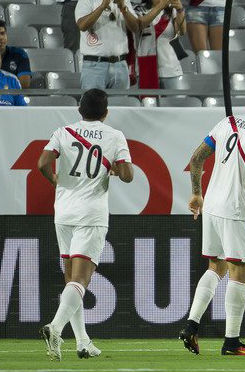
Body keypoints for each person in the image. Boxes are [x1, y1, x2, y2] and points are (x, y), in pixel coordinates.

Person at [179, 84, 245, 356]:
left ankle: (191, 326)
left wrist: (196, 194)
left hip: (212, 206)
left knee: (215, 267)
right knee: (239, 272)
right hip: (236, 209)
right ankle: (231, 342)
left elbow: (195, 159)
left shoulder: (226, 122)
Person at [38, 89, 134, 361]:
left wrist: (56, 181)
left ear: (80, 110)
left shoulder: (63, 131)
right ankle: (55, 327)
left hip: (64, 212)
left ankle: (82, 341)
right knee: (81, 280)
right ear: (106, 112)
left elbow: (43, 162)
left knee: (71, 280)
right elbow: (128, 175)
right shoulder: (114, 136)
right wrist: (115, 169)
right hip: (91, 214)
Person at [75, 0, 141, 90]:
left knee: (120, 103)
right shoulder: (87, 1)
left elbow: (136, 27)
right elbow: (82, 25)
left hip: (120, 65)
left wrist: (124, 9)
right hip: (94, 66)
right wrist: (102, 6)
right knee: (94, 103)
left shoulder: (124, 1)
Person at [133, 0, 186, 89]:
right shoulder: (138, 9)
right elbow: (140, 24)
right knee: (149, 102)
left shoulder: (171, 10)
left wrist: (180, 10)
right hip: (146, 68)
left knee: (174, 102)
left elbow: (182, 31)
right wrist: (160, 6)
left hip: (170, 68)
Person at [0, 20, 32, 89]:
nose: (1, 38)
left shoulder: (19, 54)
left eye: (2, 33)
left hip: (12, 98)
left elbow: (24, 85)